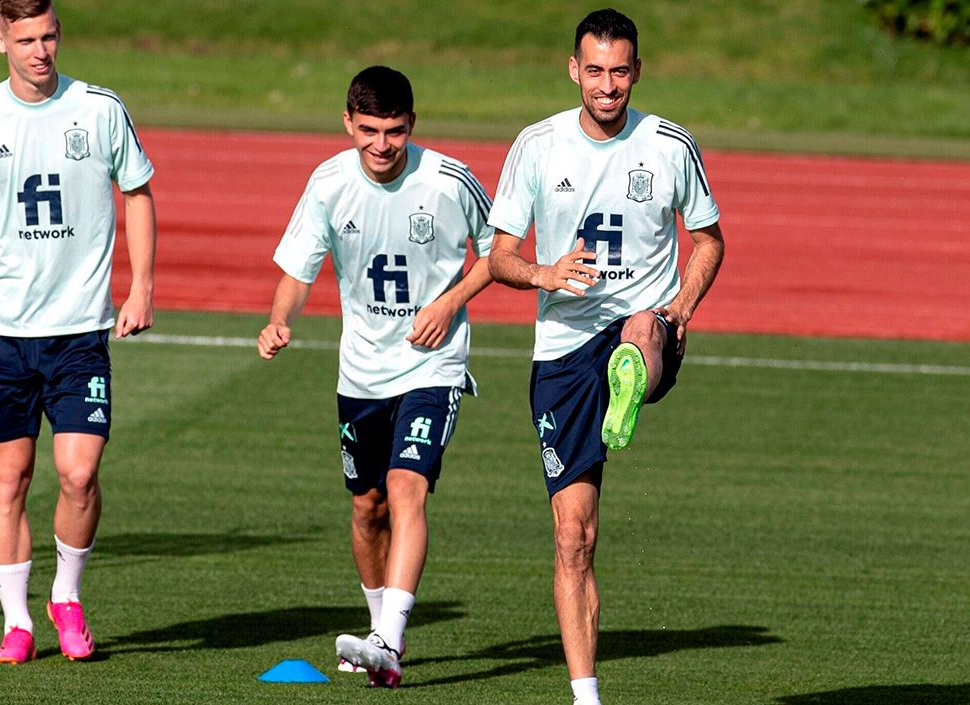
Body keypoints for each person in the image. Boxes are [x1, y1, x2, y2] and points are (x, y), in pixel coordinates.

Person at [486, 9, 725, 705]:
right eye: (595, 70)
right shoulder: (536, 146)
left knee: (639, 334)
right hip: (562, 347)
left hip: (645, 319)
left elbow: (708, 240)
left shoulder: (670, 144)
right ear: (574, 70)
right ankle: (586, 697)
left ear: (637, 72)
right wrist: (543, 274)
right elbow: (499, 257)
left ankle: (636, 374)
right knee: (573, 537)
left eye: (620, 71)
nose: (608, 85)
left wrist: (680, 308)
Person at [0, 0, 156, 665]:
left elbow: (137, 191)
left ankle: (66, 595)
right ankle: (18, 622)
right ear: (0, 40)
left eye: (49, 36)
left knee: (78, 473)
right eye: (25, 38)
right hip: (2, 331)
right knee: (10, 478)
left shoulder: (100, 108)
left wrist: (141, 284)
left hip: (81, 329)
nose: (40, 50)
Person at [257, 65, 494, 688]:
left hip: (432, 366)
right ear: (347, 123)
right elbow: (298, 270)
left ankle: (387, 637)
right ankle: (379, 633)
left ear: (411, 125)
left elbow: (503, 253)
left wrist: (448, 303)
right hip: (361, 372)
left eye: (393, 131)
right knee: (367, 509)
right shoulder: (329, 183)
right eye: (368, 131)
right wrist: (279, 320)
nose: (382, 145)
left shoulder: (449, 180)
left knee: (404, 486)